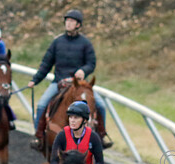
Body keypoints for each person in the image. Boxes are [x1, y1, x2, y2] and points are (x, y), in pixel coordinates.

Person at [27, 9, 112, 150]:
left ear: (78, 25)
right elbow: (46, 64)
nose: (68, 23)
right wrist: (35, 80)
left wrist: (83, 71)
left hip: (79, 85)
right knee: (42, 105)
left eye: (72, 21)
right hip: (59, 82)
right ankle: (39, 137)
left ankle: (102, 136)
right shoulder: (57, 42)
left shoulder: (86, 43)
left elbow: (91, 63)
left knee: (101, 105)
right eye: (67, 20)